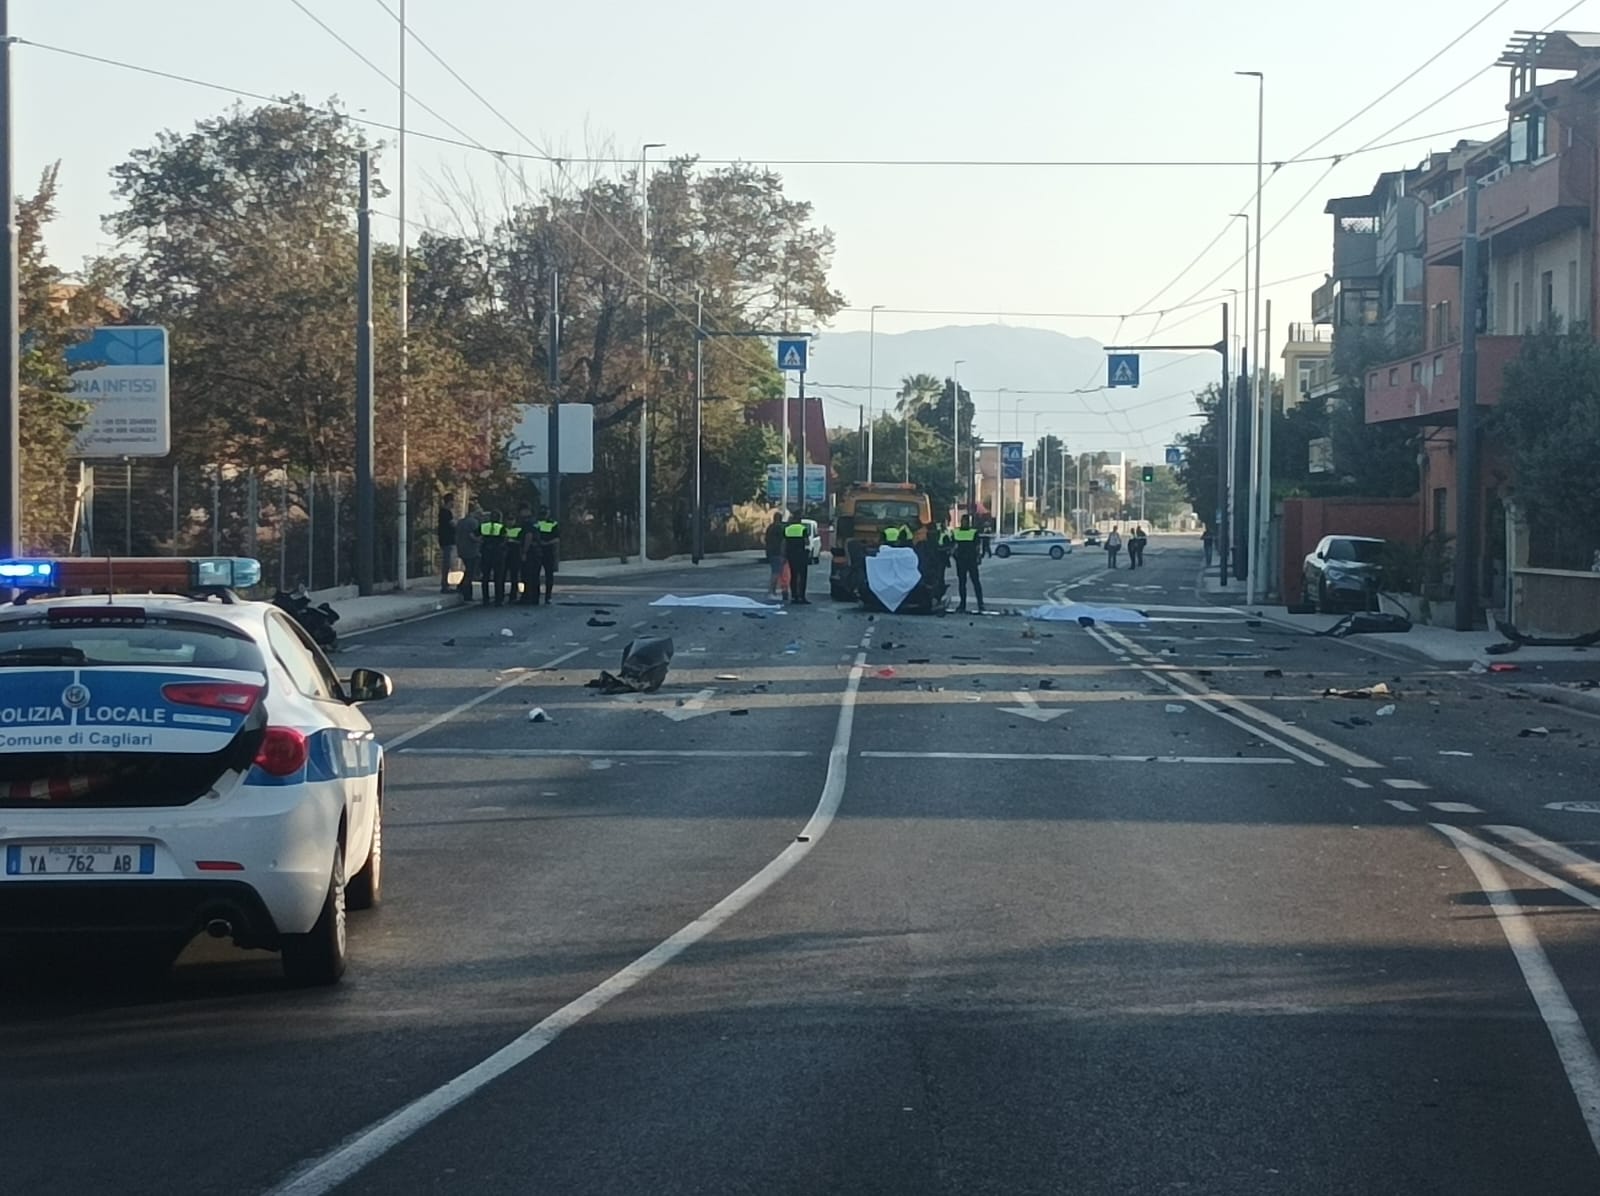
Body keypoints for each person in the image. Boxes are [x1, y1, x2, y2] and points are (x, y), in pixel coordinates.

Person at [952, 514, 985, 613]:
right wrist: (955, 556)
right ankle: (962, 604)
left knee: (975, 582)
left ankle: (980, 604)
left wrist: (978, 557)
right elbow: (953, 546)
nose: (964, 523)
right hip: (961, 561)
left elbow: (977, 546)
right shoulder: (956, 532)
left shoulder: (973, 532)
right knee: (962, 583)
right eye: (963, 521)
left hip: (971, 560)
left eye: (966, 521)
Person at [478, 509, 506, 604]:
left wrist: (480, 542)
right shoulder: (502, 527)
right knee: (498, 577)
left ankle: (485, 599)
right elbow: (504, 540)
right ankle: (498, 599)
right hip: (497, 554)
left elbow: (473, 535)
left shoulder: (484, 526)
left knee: (485, 576)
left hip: (486, 553)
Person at [456, 502, 483, 600]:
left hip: (462, 549)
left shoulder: (460, 522)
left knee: (468, 570)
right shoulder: (473, 522)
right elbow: (473, 536)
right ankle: (467, 593)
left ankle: (460, 586)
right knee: (470, 573)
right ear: (474, 510)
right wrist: (480, 540)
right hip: (472, 550)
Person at [533, 511, 560, 604]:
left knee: (548, 575)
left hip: (547, 551)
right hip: (539, 551)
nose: (543, 515)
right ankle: (536, 596)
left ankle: (547, 596)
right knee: (536, 575)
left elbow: (557, 538)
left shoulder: (552, 524)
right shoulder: (536, 523)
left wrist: (545, 543)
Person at [783, 513, 812, 603]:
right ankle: (802, 597)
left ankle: (794, 596)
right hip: (801, 554)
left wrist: (784, 554)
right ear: (800, 521)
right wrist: (808, 553)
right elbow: (807, 542)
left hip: (791, 555)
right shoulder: (803, 529)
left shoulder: (787, 529)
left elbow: (784, 543)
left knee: (793, 575)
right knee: (803, 576)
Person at [764, 511, 787, 599]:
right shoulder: (780, 528)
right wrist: (783, 553)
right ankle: (771, 592)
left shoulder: (770, 527)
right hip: (777, 552)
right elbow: (783, 542)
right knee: (776, 573)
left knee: (774, 572)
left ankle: (772, 591)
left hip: (770, 552)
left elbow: (766, 539)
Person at [437, 502, 457, 594]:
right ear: (450, 501)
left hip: (444, 540)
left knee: (447, 563)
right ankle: (445, 586)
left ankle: (445, 584)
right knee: (447, 563)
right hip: (448, 540)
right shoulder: (446, 513)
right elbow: (452, 524)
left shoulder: (442, 512)